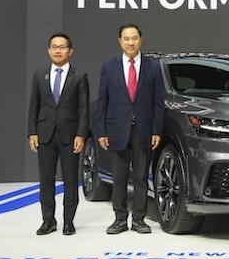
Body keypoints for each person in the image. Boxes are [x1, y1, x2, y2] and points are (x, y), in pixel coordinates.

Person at [96, 24, 166, 234]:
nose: (131, 42)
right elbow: (102, 101)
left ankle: (139, 220)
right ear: (120, 41)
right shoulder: (109, 67)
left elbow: (158, 102)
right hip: (117, 129)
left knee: (141, 177)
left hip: (144, 129)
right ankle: (119, 219)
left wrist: (156, 130)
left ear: (141, 40)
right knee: (119, 177)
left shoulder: (153, 67)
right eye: (126, 38)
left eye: (134, 38)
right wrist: (101, 131)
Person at [27, 33, 89, 236]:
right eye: (54, 47)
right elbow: (34, 106)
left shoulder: (79, 76)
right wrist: (32, 132)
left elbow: (83, 109)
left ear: (70, 51)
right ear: (48, 50)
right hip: (45, 135)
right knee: (46, 179)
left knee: (70, 180)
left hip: (70, 136)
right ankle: (48, 220)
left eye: (62, 47)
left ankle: (68, 221)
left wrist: (81, 135)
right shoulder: (39, 75)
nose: (57, 50)